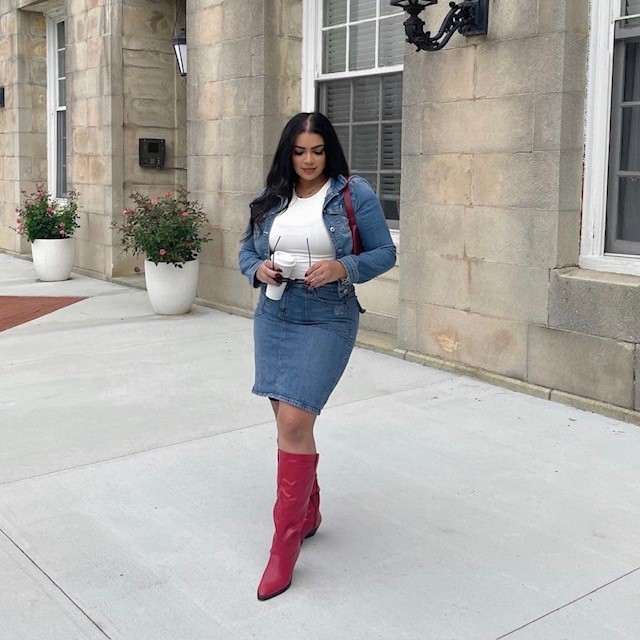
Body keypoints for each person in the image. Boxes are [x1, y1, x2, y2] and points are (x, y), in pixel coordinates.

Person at [238, 111, 396, 601]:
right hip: (275, 312)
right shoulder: (272, 199)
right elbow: (245, 251)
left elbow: (384, 253)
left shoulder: (352, 194)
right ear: (289, 152)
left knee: (293, 422)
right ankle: (308, 511)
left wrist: (342, 266)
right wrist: (258, 269)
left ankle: (282, 550)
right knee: (287, 420)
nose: (309, 160)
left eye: (318, 150)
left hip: (328, 316)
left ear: (330, 151)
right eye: (300, 151)